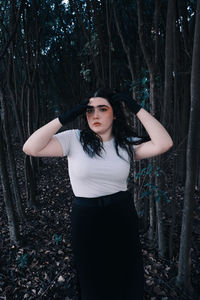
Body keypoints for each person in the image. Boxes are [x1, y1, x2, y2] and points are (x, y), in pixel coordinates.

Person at [23, 87, 173, 300]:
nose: (95, 115)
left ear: (115, 113)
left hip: (121, 214)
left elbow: (164, 143)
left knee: (126, 273)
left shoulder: (125, 144)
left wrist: (135, 107)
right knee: (92, 276)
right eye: (90, 110)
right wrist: (64, 118)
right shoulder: (74, 139)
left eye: (103, 109)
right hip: (86, 217)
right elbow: (31, 148)